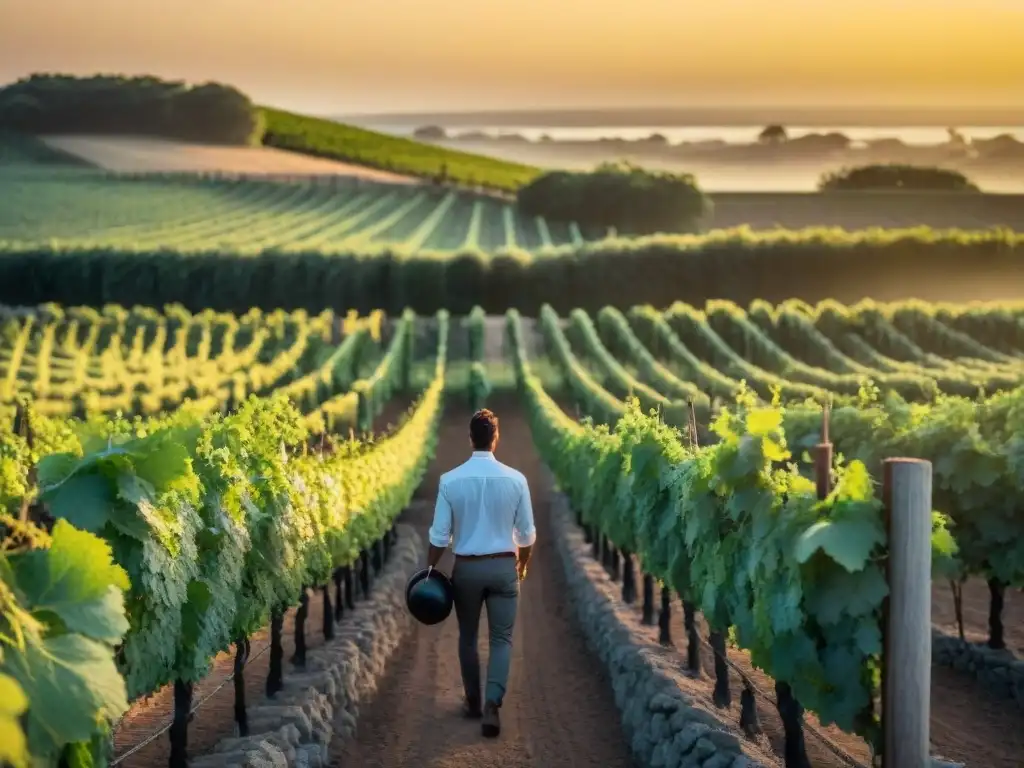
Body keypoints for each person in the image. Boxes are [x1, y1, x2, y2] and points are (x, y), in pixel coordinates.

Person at [426, 408, 536, 738]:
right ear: (496, 438)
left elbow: (439, 536)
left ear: (471, 438)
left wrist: (429, 570)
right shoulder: (517, 480)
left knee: (468, 637)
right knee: (502, 638)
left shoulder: (450, 480)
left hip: (467, 571)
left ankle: (472, 701)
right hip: (504, 567)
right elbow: (527, 534)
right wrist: (523, 563)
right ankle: (492, 705)